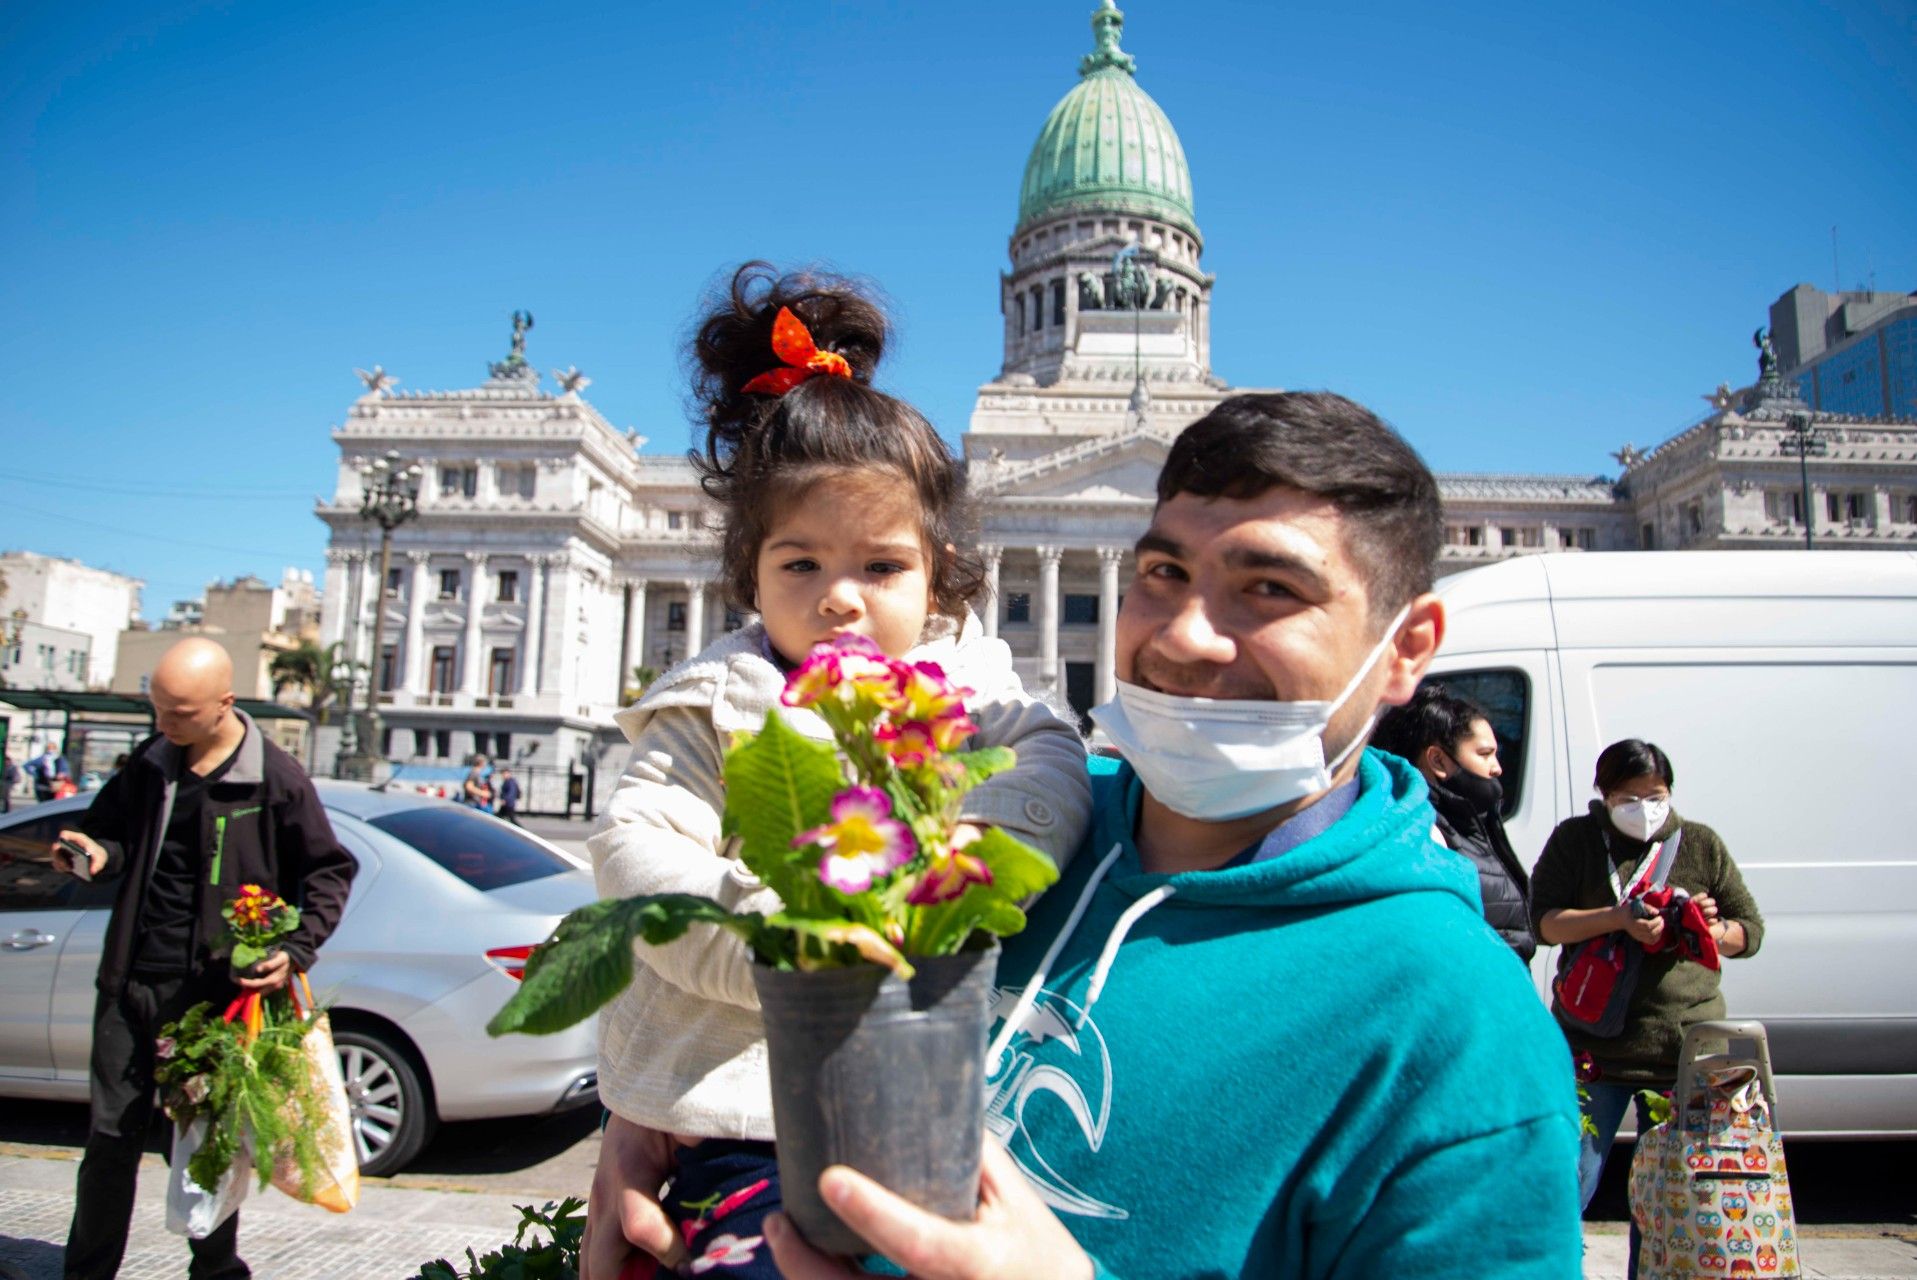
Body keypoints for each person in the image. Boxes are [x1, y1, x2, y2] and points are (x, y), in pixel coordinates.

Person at [586, 392, 1582, 1280]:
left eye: (1269, 586)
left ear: (1405, 645)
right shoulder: (994, 815)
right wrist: (661, 1109)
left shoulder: (1461, 1030)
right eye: (1162, 570)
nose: (1186, 633)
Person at [583, 262, 1092, 1280]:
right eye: (800, 564)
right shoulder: (713, 702)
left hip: (938, 1104)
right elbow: (633, 849)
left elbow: (1050, 760)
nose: (841, 600)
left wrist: (969, 864)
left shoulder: (975, 688)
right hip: (745, 1116)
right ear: (750, 573)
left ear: (939, 569)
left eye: (882, 566)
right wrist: (784, 940)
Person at [51, 637, 356, 1280]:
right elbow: (111, 831)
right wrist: (94, 852)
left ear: (224, 704)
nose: (164, 725)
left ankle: (216, 1272)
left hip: (215, 1000)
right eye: (157, 708)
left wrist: (295, 951)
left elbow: (329, 872)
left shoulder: (274, 777)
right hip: (129, 982)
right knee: (109, 1144)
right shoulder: (153, 760)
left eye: (179, 713)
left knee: (204, 1151)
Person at [1531, 738, 1763, 1263]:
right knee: (1569, 1181)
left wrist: (1709, 927)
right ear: (1605, 794)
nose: (1643, 808)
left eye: (1654, 795)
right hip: (1595, 1050)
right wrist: (1617, 919)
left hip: (1683, 1049)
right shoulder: (1576, 841)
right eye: (1628, 797)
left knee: (1671, 1197)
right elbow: (1544, 922)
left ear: (1670, 792)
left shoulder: (1700, 844)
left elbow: (1751, 931)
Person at [1374, 681, 1535, 960]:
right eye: (1484, 754)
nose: (1497, 768)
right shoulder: (1423, 830)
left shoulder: (1473, 820)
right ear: (1438, 761)